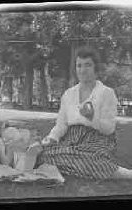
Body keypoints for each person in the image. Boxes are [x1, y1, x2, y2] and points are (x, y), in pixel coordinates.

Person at [34, 45, 132, 180]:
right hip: (71, 139)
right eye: (79, 66)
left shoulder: (106, 93)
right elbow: (61, 125)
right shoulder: (68, 94)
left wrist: (92, 118)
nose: (82, 70)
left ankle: (125, 174)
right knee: (43, 155)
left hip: (97, 139)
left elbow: (109, 129)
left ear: (95, 68)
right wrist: (51, 138)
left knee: (93, 158)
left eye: (87, 65)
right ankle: (79, 164)